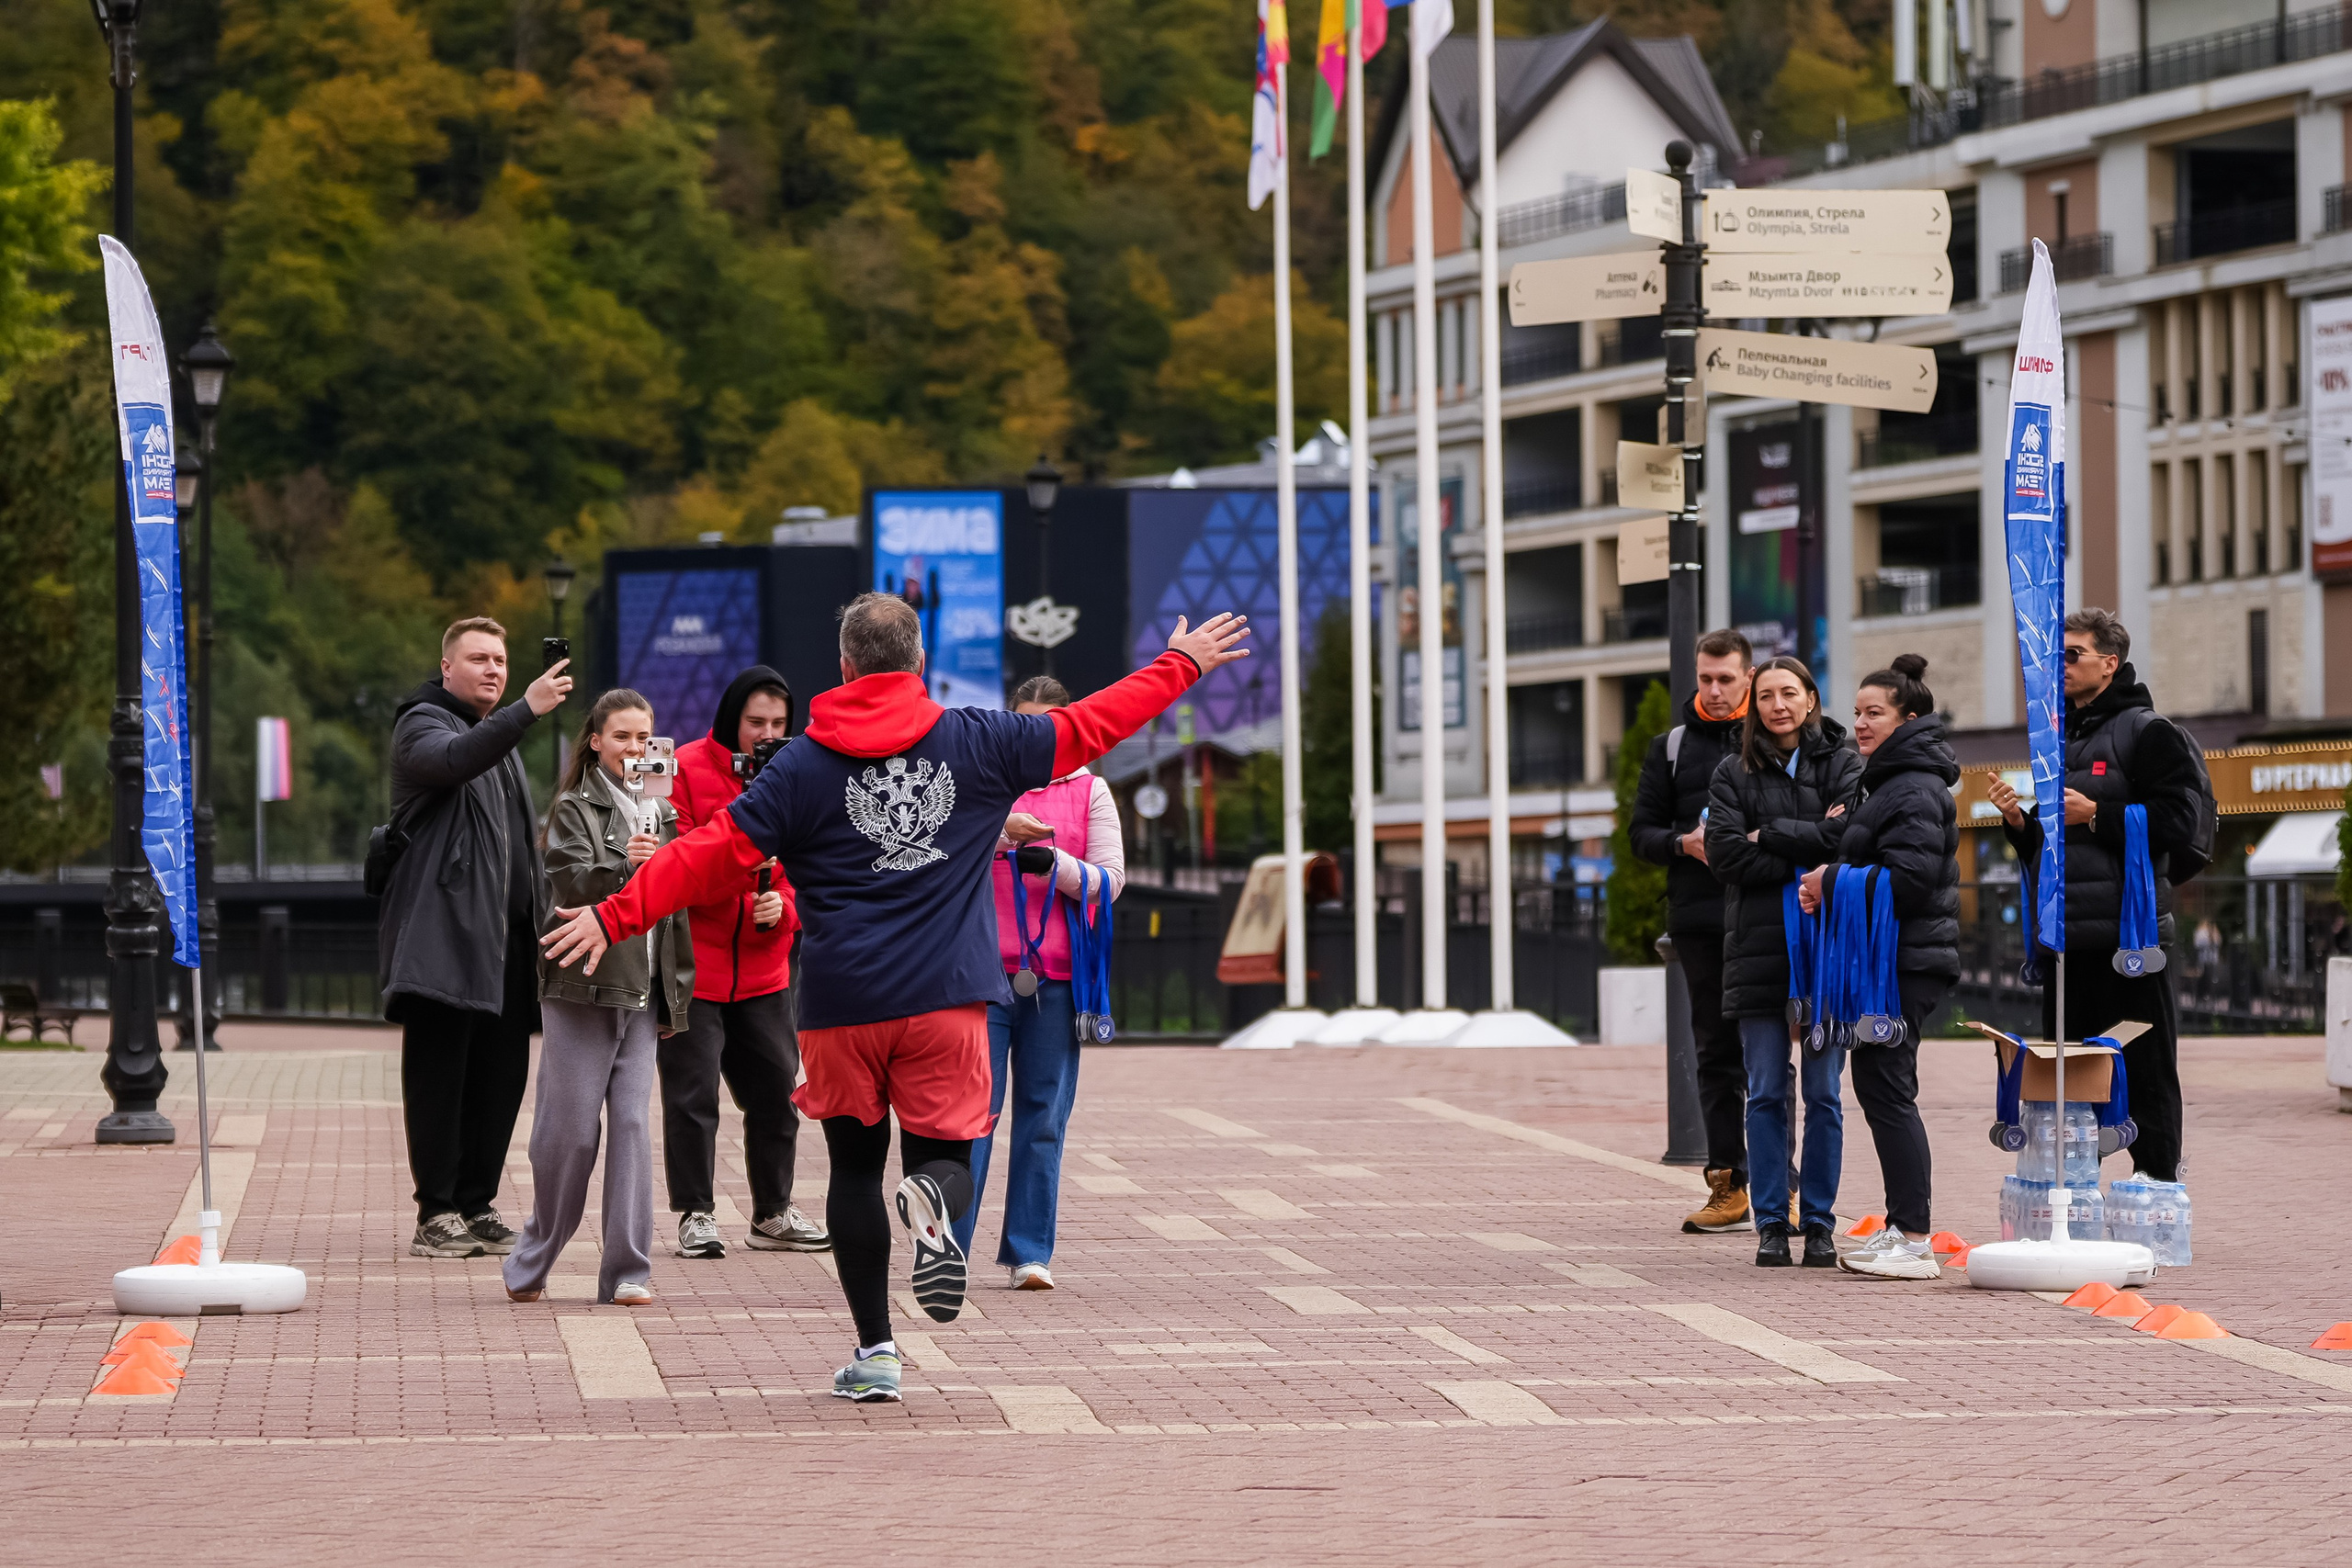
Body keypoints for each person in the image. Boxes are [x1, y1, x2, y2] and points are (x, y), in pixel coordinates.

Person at [538, 594, 1250, 1404]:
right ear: (919, 660)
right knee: (943, 1155)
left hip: (842, 1003)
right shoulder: (978, 741)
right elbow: (1091, 726)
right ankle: (935, 1202)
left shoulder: (799, 767)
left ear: (842, 668)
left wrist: (613, 910)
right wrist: (1182, 662)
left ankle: (876, 1349)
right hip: (948, 999)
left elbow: (709, 854)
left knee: (851, 1170)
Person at [1986, 608, 2199, 1185]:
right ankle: (2075, 1193)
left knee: (2147, 1069)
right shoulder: (2060, 734)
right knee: (2071, 1071)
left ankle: (2156, 1188)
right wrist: (2019, 825)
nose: (2060, 665)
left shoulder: (2148, 731)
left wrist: (2101, 815)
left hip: (2127, 939)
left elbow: (2184, 821)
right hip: (2066, 936)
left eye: (2073, 654)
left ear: (2111, 663)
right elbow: (2057, 846)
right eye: (2055, 655)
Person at [380, 617, 571, 1260]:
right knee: (442, 1074)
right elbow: (450, 761)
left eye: (501, 658)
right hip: (445, 939)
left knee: (500, 1075)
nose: (493, 668)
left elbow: (521, 846)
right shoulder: (423, 722)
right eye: (479, 658)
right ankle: (435, 1210)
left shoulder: (500, 742)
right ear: (446, 668)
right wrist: (524, 711)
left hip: (507, 943)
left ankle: (475, 1200)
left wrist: (547, 921)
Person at [503, 691, 692, 1306]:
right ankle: (537, 1250)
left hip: (640, 995)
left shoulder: (661, 811)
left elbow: (675, 910)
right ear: (596, 740)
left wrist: (675, 996)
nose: (635, 750)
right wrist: (627, 869)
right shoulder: (573, 808)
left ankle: (628, 1270)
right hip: (580, 987)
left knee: (634, 1125)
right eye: (623, 737)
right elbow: (569, 880)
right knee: (571, 1134)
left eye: (645, 738)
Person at [950, 674, 1127, 1291]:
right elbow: (944, 854)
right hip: (981, 975)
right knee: (970, 1114)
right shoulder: (983, 784)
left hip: (1055, 981)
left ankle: (1030, 1252)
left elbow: (1110, 881)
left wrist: (1058, 865)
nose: (1041, 734)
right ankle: (951, 1247)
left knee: (1043, 1115)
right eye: (1028, 722)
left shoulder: (1091, 791)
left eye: (1053, 723)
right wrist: (1000, 834)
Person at [1797, 654, 1961, 1281]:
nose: (1860, 724)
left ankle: (1914, 1237)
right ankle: (1902, 1228)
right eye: (1857, 712)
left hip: (1905, 961)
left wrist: (1830, 877)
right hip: (1889, 959)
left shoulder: (1913, 787)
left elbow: (1912, 880)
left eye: (1875, 713)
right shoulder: (1888, 782)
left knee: (1888, 1087)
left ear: (1909, 719)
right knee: (1879, 1084)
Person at [661, 666, 828, 1259]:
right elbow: (677, 859)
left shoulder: (800, 770)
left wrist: (781, 906)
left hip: (765, 971)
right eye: (756, 721)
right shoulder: (684, 767)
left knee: (778, 1093)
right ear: (731, 717)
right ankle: (695, 1213)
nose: (766, 733)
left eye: (778, 723)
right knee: (692, 1094)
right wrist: (740, 874)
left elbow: (816, 866)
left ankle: (773, 1212)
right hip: (694, 967)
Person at [1705, 657, 1860, 1269]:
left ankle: (1820, 1220)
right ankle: (1772, 1219)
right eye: (1765, 695)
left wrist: (1765, 834)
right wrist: (1807, 841)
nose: (1778, 705)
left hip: (1827, 951)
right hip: (1760, 952)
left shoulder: (1842, 761)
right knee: (1766, 1091)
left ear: (1811, 697)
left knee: (1824, 1093)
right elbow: (1723, 857)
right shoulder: (1731, 770)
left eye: (1789, 693)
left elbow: (1850, 840)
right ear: (1753, 703)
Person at [1630, 628, 1756, 1234]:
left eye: (1725, 678)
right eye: (1705, 678)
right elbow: (1640, 834)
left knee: (1772, 1054)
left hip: (1765, 915)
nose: (1713, 689)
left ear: (1748, 678)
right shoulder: (1671, 746)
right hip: (1701, 921)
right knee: (1716, 1051)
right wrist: (1684, 843)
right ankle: (1727, 1183)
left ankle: (1781, 1184)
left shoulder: (1775, 737)